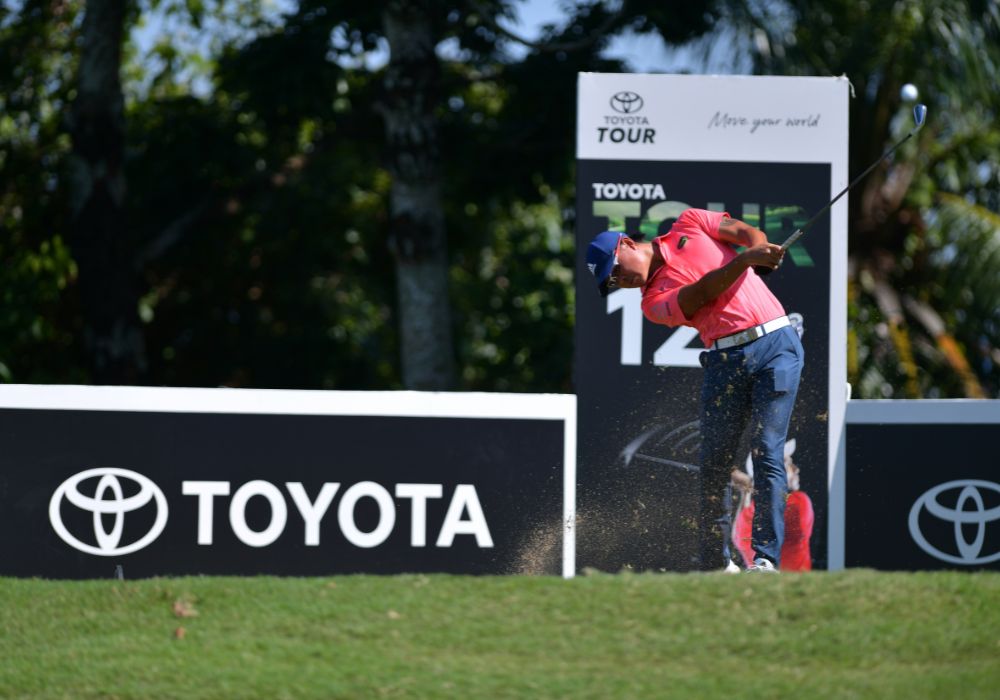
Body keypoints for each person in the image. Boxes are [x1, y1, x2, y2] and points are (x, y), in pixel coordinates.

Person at [585, 208, 804, 573]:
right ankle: (716, 563)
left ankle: (765, 560)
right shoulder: (652, 303)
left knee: (767, 450)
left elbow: (746, 231)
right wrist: (748, 260)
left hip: (777, 345)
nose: (619, 280)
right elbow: (702, 292)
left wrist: (761, 249)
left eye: (616, 270)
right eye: (612, 282)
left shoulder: (690, 223)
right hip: (725, 361)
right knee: (715, 462)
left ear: (625, 244)